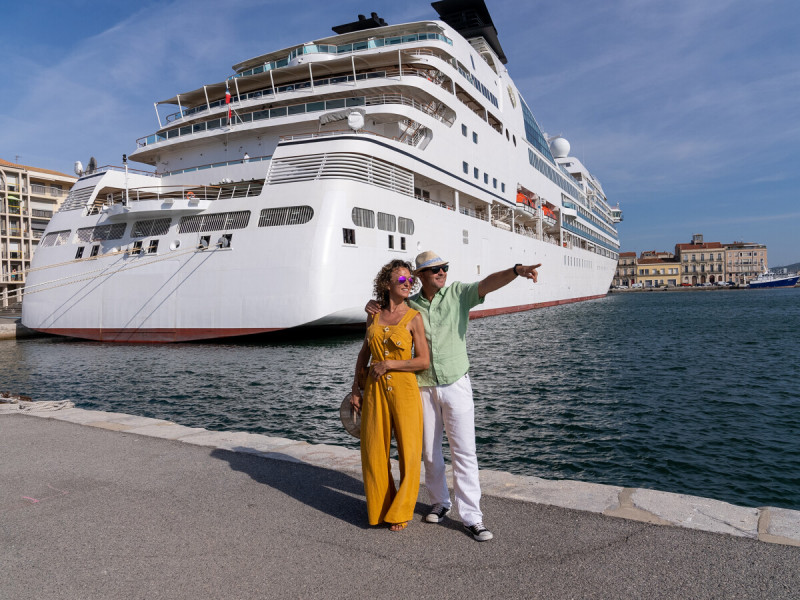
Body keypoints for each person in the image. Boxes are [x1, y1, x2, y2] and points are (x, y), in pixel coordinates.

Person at [367, 251, 540, 541]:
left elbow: (487, 283)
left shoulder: (458, 294)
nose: (441, 272)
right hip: (421, 386)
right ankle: (440, 502)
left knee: (464, 451)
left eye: (444, 267)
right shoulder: (410, 305)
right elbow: (385, 314)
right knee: (430, 452)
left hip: (455, 382)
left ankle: (472, 517)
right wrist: (372, 305)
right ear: (420, 276)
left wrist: (515, 270)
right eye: (434, 269)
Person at [351, 259, 430, 532]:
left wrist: (391, 364)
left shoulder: (413, 318)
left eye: (410, 280)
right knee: (373, 450)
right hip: (373, 389)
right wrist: (355, 389)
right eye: (401, 280)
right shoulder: (373, 314)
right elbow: (364, 353)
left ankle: (401, 510)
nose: (407, 283)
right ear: (387, 284)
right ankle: (381, 507)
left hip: (405, 390)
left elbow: (423, 361)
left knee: (409, 451)